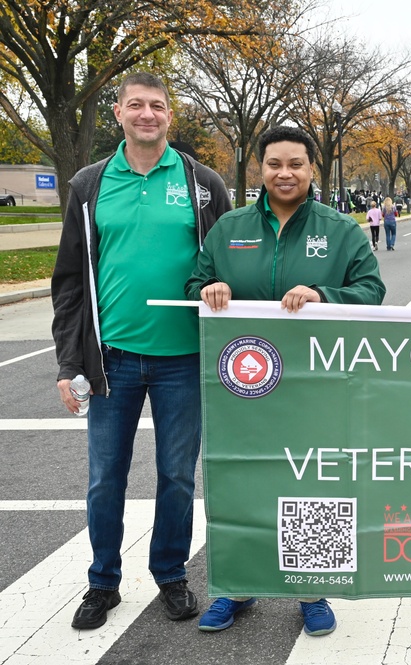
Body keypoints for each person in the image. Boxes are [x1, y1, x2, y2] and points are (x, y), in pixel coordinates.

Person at [186, 125, 386, 636]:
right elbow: (194, 280)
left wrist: (324, 296)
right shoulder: (229, 227)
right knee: (240, 480)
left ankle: (311, 589)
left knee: (313, 483)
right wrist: (210, 287)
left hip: (315, 386)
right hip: (241, 385)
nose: (285, 173)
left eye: (296, 163)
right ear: (261, 168)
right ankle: (236, 583)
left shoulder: (339, 229)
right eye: (275, 164)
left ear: (312, 168)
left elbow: (371, 289)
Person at [51, 72, 232, 630]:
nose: (146, 114)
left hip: (184, 359)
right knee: (106, 476)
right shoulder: (89, 183)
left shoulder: (203, 183)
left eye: (157, 105)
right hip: (113, 360)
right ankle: (103, 581)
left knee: (177, 476)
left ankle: (170, 574)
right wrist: (68, 363)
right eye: (136, 105)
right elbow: (69, 281)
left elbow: (228, 260)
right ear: (119, 112)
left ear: (169, 115)